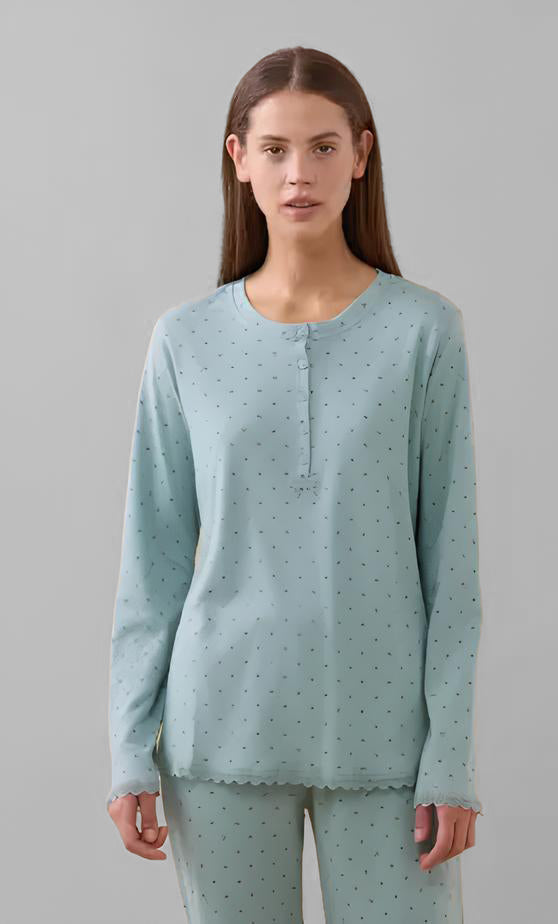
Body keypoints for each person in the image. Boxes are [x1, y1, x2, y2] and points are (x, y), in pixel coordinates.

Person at [107, 44, 485, 923]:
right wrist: (129, 748)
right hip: (219, 733)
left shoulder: (425, 332)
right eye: (275, 149)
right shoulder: (185, 341)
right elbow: (151, 564)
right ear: (238, 158)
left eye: (322, 147)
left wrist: (451, 757)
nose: (299, 174)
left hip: (388, 740)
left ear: (361, 154)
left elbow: (453, 569)